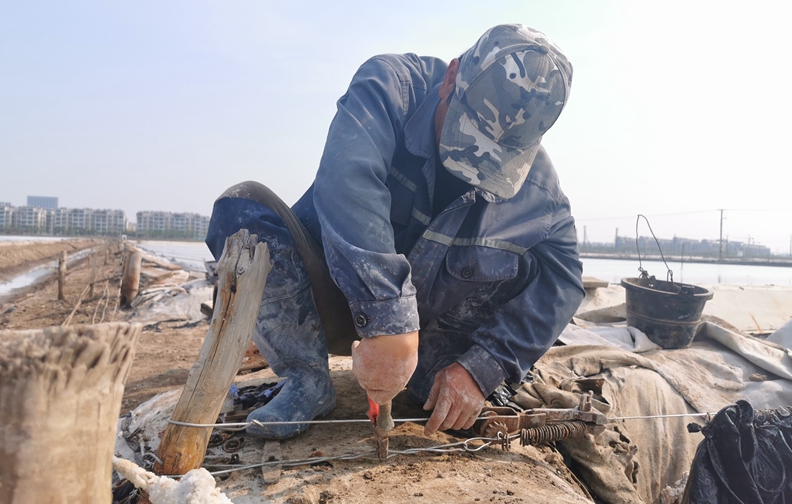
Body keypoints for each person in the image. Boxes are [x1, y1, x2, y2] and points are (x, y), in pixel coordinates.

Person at [205, 24, 584, 439]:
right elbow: (348, 182)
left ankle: (435, 373)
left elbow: (564, 282)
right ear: (451, 78)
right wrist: (389, 315)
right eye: (468, 134)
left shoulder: (540, 192)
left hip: (433, 329)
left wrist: (485, 366)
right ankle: (306, 378)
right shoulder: (388, 89)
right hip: (331, 299)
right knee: (242, 210)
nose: (473, 168)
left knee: (531, 269)